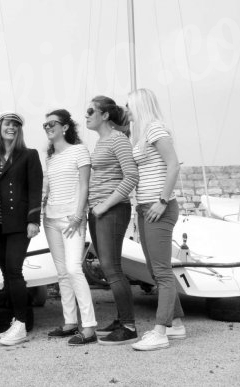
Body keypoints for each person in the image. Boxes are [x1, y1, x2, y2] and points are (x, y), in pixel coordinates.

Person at [0, 112, 43, 346]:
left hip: (18, 225)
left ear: (20, 129)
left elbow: (35, 189)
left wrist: (34, 220)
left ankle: (21, 324)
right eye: (7, 124)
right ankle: (15, 321)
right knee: (6, 273)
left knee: (14, 270)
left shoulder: (29, 155)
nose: (11, 127)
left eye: (16, 124)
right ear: (0, 128)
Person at [126, 88, 186, 351]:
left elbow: (173, 165)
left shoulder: (155, 129)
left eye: (128, 106)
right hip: (146, 207)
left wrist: (162, 201)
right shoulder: (141, 133)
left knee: (161, 271)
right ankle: (177, 324)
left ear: (139, 106)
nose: (126, 111)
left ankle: (160, 331)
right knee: (155, 270)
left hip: (158, 207)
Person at [85, 95, 140, 346]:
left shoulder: (118, 139)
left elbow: (131, 177)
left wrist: (104, 205)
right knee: (110, 267)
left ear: (105, 115)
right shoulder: (101, 142)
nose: (86, 116)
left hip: (112, 211)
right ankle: (121, 320)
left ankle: (129, 326)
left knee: (112, 268)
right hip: (98, 211)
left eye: (90, 111)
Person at [41, 109, 98, 346]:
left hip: (72, 219)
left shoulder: (79, 151)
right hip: (50, 219)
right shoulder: (51, 157)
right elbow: (50, 189)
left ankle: (89, 327)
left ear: (65, 127)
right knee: (62, 273)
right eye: (45, 125)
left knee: (74, 269)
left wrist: (78, 215)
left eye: (52, 123)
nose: (47, 128)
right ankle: (70, 322)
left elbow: (85, 186)